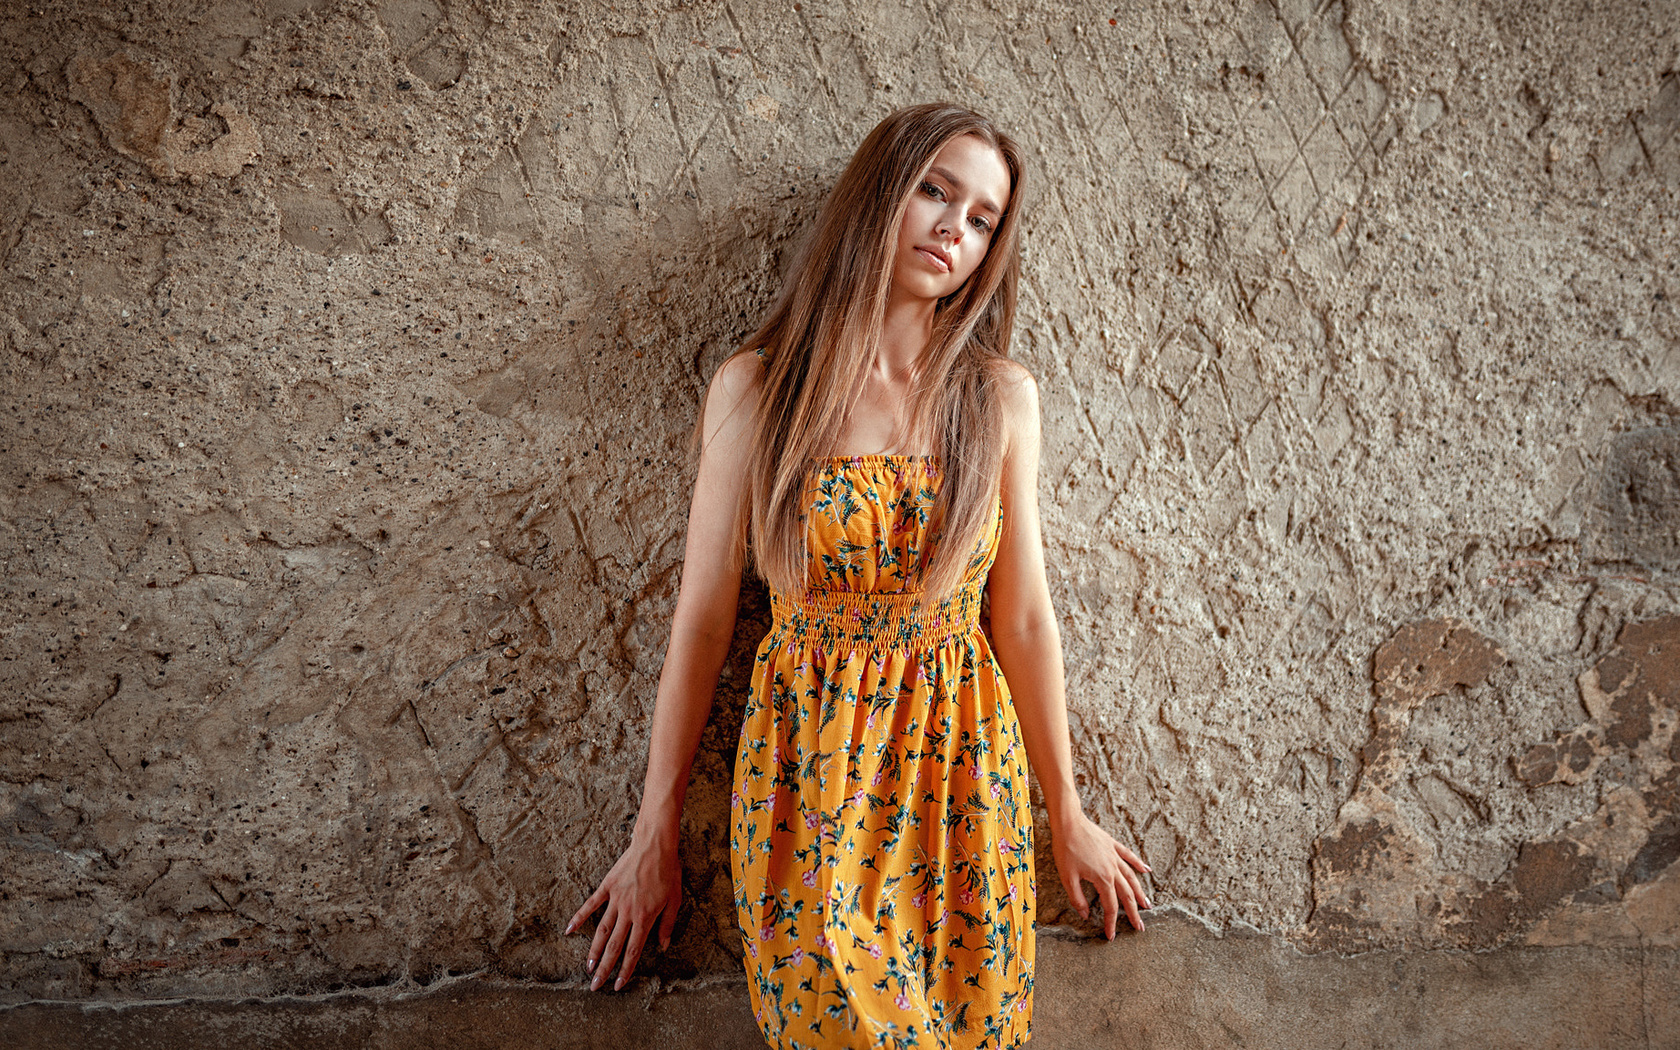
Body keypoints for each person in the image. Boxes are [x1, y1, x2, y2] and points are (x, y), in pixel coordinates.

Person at [565, 101, 1152, 1048]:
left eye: (982, 219)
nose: (953, 229)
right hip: (809, 780)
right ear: (882, 193)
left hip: (961, 778)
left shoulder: (998, 399)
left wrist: (1068, 812)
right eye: (935, 191)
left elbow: (1027, 619)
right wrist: (654, 832)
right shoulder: (758, 391)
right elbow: (705, 619)